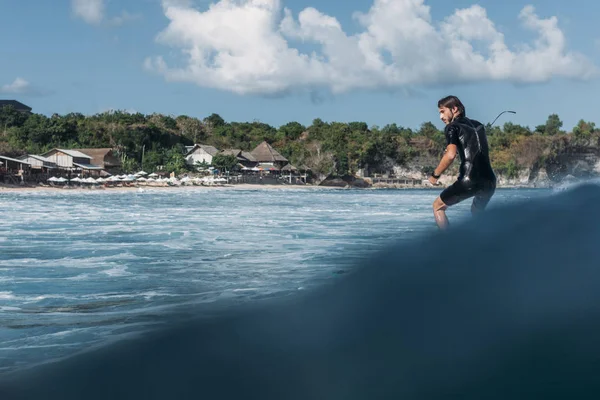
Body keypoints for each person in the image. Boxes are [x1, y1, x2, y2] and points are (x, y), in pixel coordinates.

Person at [428, 95, 496, 229]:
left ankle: (450, 246)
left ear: (454, 109)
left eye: (442, 111)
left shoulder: (452, 127)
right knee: (477, 213)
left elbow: (450, 155)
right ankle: (486, 246)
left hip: (469, 180)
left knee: (438, 207)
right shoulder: (479, 125)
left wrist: (435, 175)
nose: (441, 117)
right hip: (490, 181)